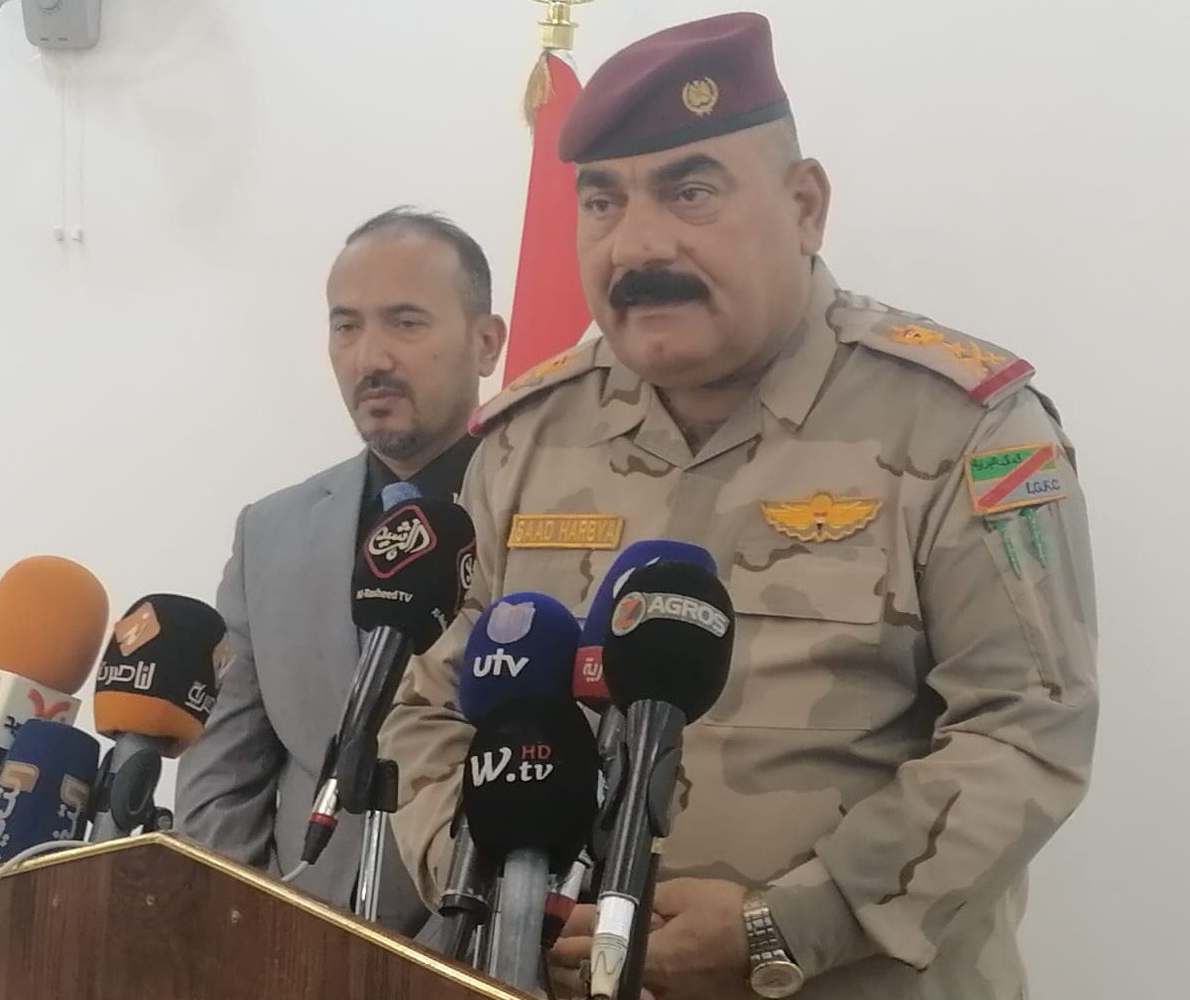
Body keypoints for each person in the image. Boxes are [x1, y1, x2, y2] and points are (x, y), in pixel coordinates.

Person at [380, 12, 1098, 1000]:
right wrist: (502, 888)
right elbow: (427, 708)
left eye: (690, 191)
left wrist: (783, 925)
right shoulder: (524, 438)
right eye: (601, 201)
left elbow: (1024, 731)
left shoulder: (965, 428)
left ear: (805, 205)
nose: (637, 243)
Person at [176, 207, 507, 932]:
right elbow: (221, 778)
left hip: (489, 950)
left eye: (406, 323)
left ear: (487, 343)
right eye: (346, 326)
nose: (370, 358)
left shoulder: (543, 523)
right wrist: (255, 937)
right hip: (291, 947)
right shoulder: (270, 533)